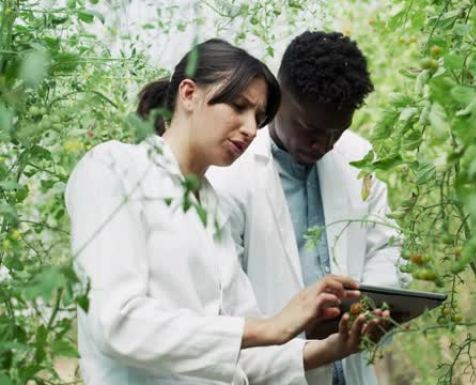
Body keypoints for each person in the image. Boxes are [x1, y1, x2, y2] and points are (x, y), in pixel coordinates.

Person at [65, 38, 387, 385]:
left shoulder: (210, 205)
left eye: (259, 117)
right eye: (238, 106)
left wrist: (333, 347)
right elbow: (118, 323)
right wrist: (272, 326)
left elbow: (240, 355)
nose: (250, 128)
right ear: (188, 94)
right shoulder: (114, 167)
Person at [207, 31, 407, 385]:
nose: (325, 145)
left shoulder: (359, 160)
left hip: (352, 370)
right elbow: (224, 306)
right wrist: (301, 327)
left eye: (337, 131)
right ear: (277, 98)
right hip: (274, 372)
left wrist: (365, 313)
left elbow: (384, 248)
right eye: (311, 129)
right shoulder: (228, 177)